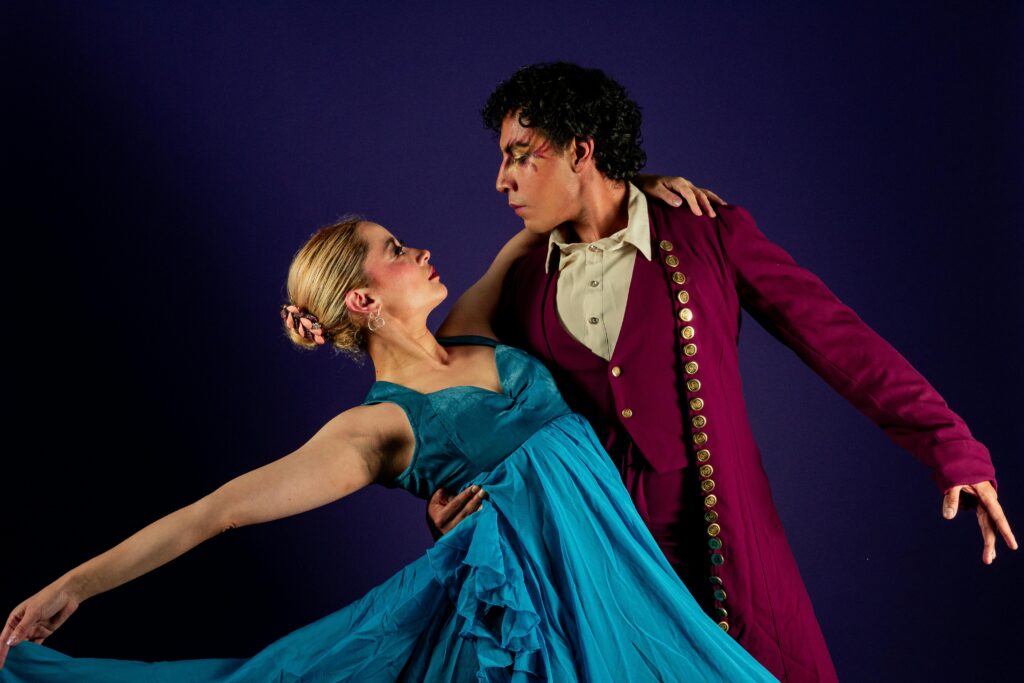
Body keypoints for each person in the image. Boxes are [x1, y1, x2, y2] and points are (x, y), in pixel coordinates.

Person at [0, 210, 780, 681]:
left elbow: (553, 215)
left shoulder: (475, 324)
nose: (420, 250)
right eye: (396, 247)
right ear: (365, 299)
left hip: (627, 580)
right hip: (551, 630)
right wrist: (76, 581)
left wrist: (662, 189)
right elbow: (220, 511)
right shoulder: (376, 428)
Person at [427, 61, 1018, 682]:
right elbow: (470, 403)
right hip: (601, 564)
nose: (501, 181)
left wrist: (950, 442)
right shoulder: (523, 287)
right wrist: (454, 508)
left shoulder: (706, 233)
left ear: (582, 149)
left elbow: (839, 340)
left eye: (522, 156)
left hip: (727, 549)